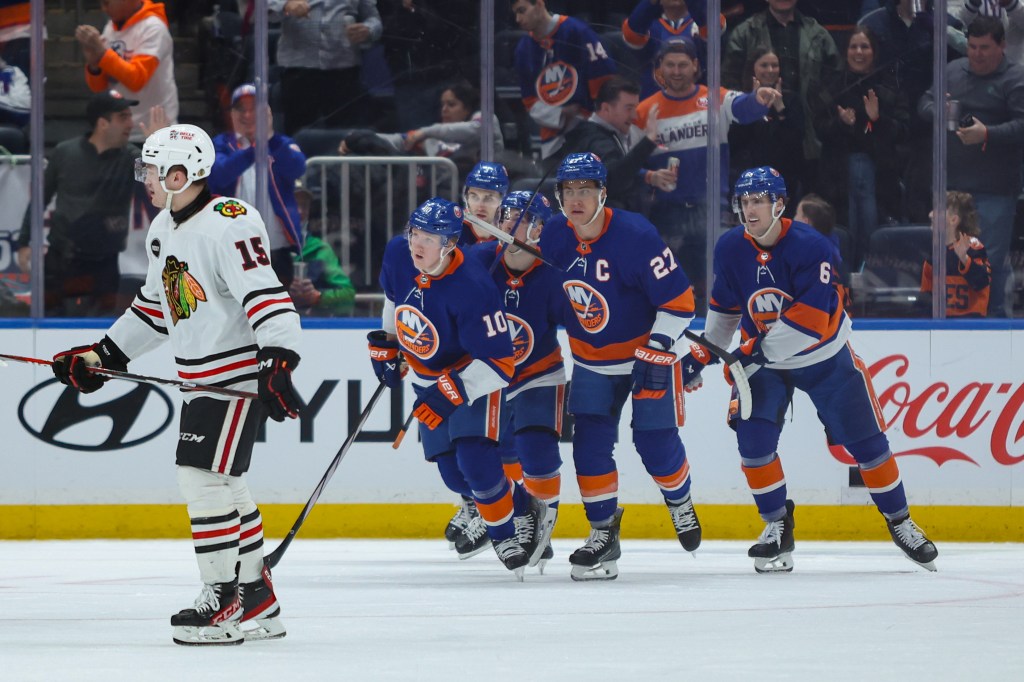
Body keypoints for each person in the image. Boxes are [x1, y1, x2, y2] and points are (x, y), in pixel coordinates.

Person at [50, 124, 303, 645]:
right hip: (198, 379)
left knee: (200, 477)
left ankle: (223, 598)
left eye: (151, 169)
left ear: (181, 172)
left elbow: (266, 295)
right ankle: (257, 598)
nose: (143, 177)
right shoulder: (164, 227)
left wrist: (278, 360)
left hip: (231, 376)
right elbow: (154, 308)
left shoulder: (231, 222)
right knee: (225, 484)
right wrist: (104, 355)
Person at [680, 166, 939, 574]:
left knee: (868, 445)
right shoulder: (731, 248)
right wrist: (701, 356)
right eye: (744, 202)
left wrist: (750, 355)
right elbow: (726, 310)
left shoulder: (812, 246)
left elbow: (812, 321)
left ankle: (901, 522)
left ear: (779, 204)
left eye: (758, 201)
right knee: (753, 443)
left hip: (824, 357)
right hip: (763, 363)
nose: (749, 210)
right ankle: (777, 527)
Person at [537, 152, 702, 581]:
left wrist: (659, 346)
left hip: (646, 356)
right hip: (591, 361)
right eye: (569, 190)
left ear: (603, 193)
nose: (576, 199)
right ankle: (603, 533)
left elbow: (681, 303)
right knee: (589, 448)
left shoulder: (636, 235)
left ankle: (680, 501)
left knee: (655, 445)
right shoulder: (554, 234)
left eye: (585, 190)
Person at [370, 196, 554, 579]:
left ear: (450, 244)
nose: (417, 244)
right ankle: (526, 506)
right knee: (454, 475)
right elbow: (393, 299)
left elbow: (501, 363)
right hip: (426, 377)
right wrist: (388, 346)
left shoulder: (474, 287)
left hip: (472, 377)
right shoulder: (397, 253)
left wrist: (452, 390)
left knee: (476, 460)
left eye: (429, 237)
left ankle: (504, 534)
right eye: (415, 232)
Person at [459, 190, 566, 570]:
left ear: (542, 228)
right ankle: (518, 517)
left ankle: (542, 528)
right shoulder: (478, 261)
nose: (513, 224)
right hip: (492, 375)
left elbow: (585, 323)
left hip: (539, 371)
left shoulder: (555, 271)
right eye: (508, 216)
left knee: (538, 452)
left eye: (526, 218)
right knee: (492, 454)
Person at [636, 39, 778, 310]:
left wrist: (758, 100)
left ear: (696, 66)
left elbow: (743, 107)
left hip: (711, 208)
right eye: (670, 65)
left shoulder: (714, 98)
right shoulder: (645, 111)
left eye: (683, 65)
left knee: (723, 277)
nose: (676, 71)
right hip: (668, 211)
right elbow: (630, 166)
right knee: (670, 286)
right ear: (660, 69)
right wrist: (650, 176)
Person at [919, 16, 1024, 318]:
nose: (977, 54)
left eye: (984, 47)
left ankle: (993, 323)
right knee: (950, 258)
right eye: (972, 47)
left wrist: (987, 133)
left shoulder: (1016, 79)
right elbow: (924, 102)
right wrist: (938, 111)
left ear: (1002, 46)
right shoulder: (953, 71)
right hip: (952, 187)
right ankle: (952, 323)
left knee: (987, 260)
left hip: (994, 190)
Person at [16, 90, 141, 316]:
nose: (131, 123)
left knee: (102, 336)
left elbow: (160, 180)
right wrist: (24, 241)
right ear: (103, 123)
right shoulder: (65, 152)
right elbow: (40, 199)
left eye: (130, 117)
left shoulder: (132, 158)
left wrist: (160, 150)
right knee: (48, 326)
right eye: (123, 117)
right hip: (61, 260)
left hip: (104, 264)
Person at [811, 26, 909, 269]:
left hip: (880, 174)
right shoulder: (833, 84)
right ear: (845, 52)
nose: (859, 52)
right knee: (844, 229)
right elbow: (818, 127)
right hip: (837, 175)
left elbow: (904, 130)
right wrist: (842, 124)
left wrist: (878, 120)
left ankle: (871, 280)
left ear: (874, 52)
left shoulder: (889, 83)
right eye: (854, 46)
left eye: (864, 46)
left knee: (872, 228)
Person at [722, 0, 840, 199]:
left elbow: (835, 78)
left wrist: (817, 108)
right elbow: (728, 82)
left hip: (807, 137)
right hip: (754, 139)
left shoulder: (817, 34)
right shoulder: (745, 32)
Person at [208, 83, 307, 286]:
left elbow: (296, 168)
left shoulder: (281, 143)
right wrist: (255, 147)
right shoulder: (219, 144)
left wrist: (268, 138)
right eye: (241, 109)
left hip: (276, 253)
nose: (247, 115)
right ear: (231, 114)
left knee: (278, 314)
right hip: (230, 253)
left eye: (254, 109)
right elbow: (218, 175)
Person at [511, 0, 617, 165]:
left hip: (592, 131)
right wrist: (561, 114)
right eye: (515, 13)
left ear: (539, 5)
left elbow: (604, 79)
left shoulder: (577, 31)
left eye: (522, 10)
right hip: (553, 141)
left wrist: (586, 114)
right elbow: (530, 101)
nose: (518, 19)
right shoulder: (523, 49)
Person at [268, 0, 382, 134]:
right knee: (298, 136)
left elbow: (374, 19)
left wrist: (368, 30)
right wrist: (285, 4)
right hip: (299, 71)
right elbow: (262, 7)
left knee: (347, 137)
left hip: (344, 71)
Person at [78, 0, 179, 141]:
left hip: (152, 133)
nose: (103, 8)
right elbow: (100, 89)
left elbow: (137, 79)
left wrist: (102, 54)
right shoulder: (110, 28)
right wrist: (94, 64)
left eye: (107, 3)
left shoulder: (153, 27)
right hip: (118, 133)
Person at [561, 76, 660, 211]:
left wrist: (649, 177)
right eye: (628, 108)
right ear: (606, 108)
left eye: (635, 108)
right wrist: (648, 141)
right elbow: (613, 180)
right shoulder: (594, 139)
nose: (634, 116)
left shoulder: (607, 134)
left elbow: (622, 171)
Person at [728, 47, 804, 203]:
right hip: (748, 177)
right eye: (764, 65)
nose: (770, 70)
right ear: (753, 68)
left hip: (782, 178)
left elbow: (795, 141)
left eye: (774, 65)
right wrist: (752, 105)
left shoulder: (791, 99)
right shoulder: (738, 99)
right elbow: (736, 141)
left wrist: (781, 109)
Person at [622, 0, 727, 98]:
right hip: (654, 107)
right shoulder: (648, 26)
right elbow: (631, 34)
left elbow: (714, 24)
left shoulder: (701, 25)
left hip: (698, 107)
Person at [289, 182, 356, 316]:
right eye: (294, 204)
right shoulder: (264, 245)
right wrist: (284, 291)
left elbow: (348, 295)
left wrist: (317, 296)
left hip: (310, 326)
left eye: (305, 206)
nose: (300, 211)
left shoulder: (320, 249)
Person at [922, 190, 992, 317]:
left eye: (938, 210)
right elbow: (925, 298)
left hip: (972, 325)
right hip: (942, 325)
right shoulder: (934, 254)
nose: (931, 214)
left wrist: (965, 259)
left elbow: (983, 281)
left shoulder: (973, 246)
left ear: (954, 220)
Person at [459, 161, 510, 244]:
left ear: (502, 201)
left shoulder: (515, 231)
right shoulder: (453, 228)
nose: (480, 207)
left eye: (489, 199)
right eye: (474, 197)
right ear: (466, 197)